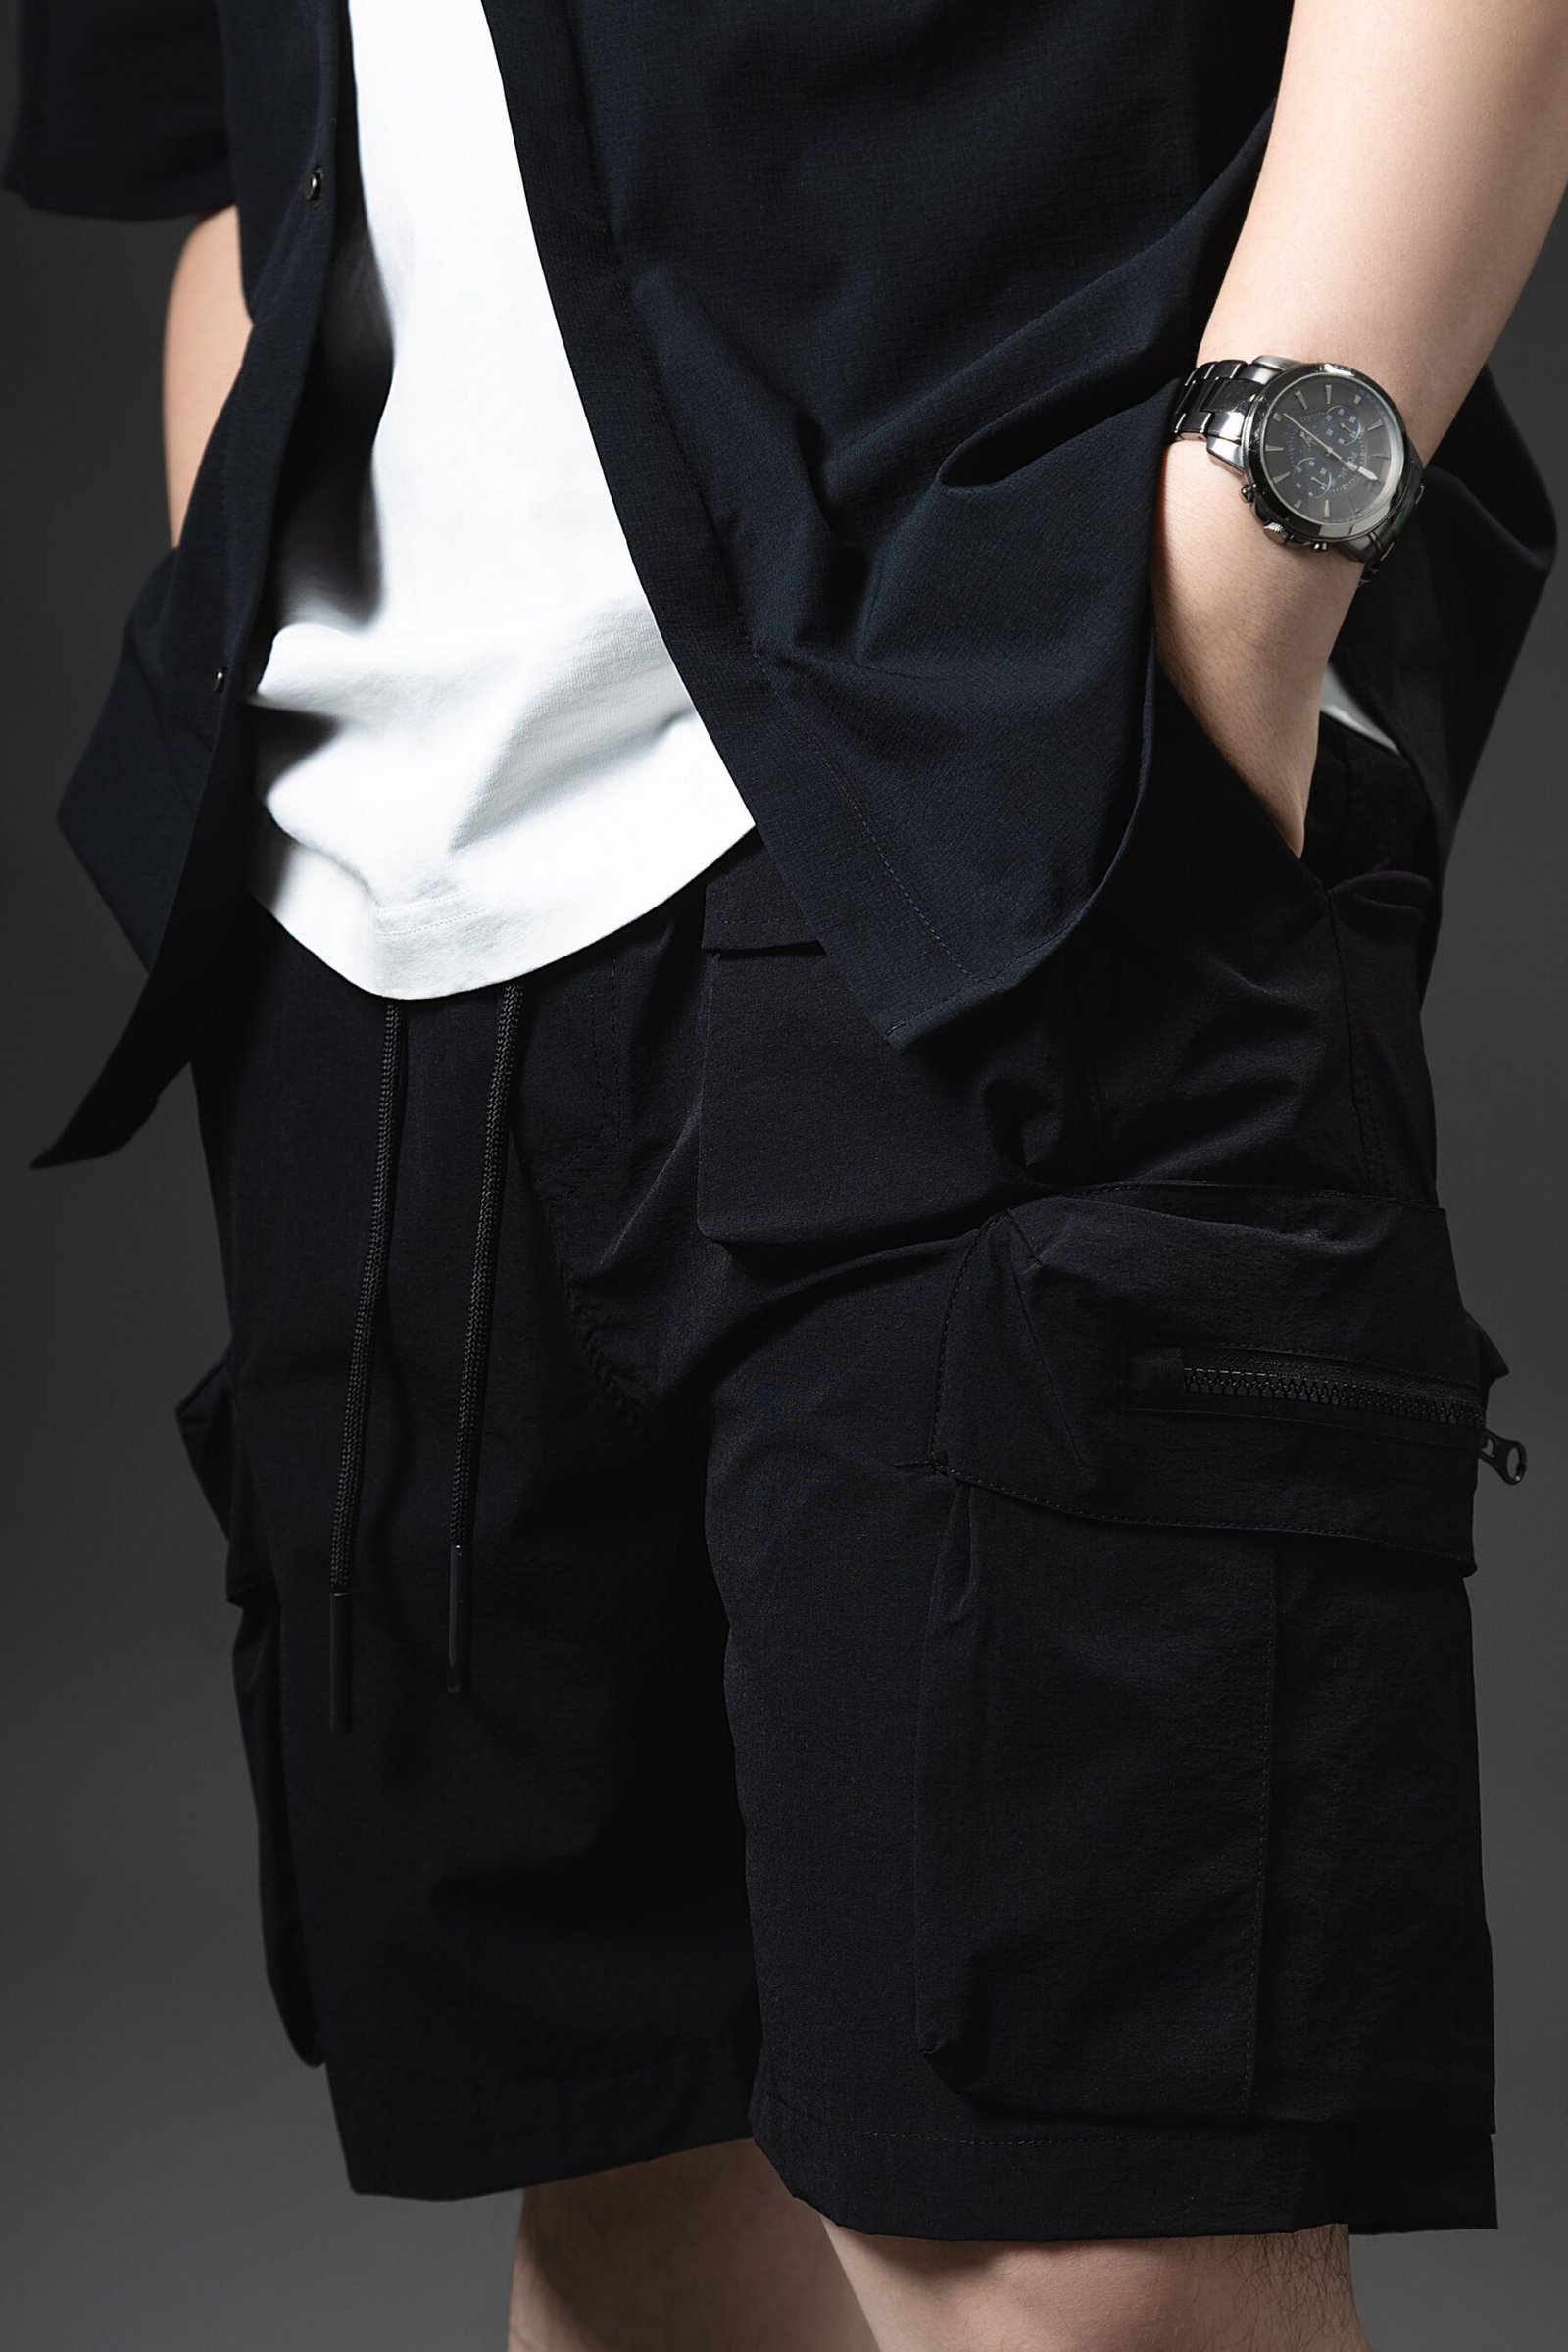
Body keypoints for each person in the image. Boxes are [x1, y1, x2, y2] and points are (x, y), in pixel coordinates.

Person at [7, 1, 1565, 2344]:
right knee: (635, 2196)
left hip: (996, 802)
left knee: (1076, 2255)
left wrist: (1222, 591)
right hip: (380, 932)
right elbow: (217, 162)